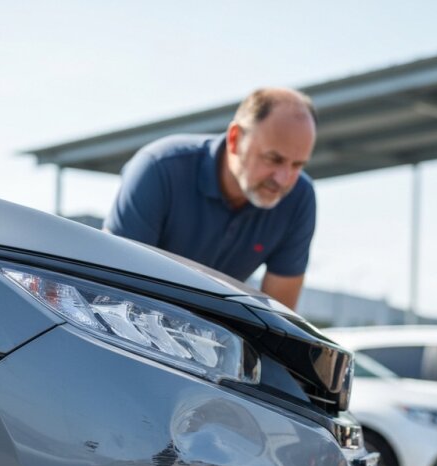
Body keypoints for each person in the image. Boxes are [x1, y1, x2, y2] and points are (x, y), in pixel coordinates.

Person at [104, 87, 317, 310]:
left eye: (297, 165)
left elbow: (279, 319)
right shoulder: (159, 169)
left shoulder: (299, 199)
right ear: (235, 139)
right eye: (273, 159)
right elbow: (114, 289)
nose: (283, 179)